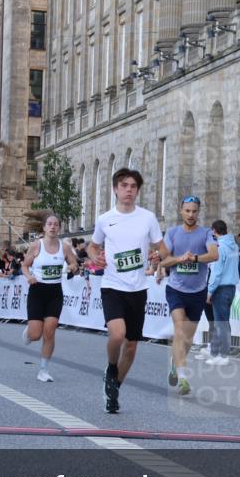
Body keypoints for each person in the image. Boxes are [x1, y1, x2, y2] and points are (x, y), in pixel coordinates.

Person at [87, 168, 163, 414]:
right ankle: (111, 368)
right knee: (117, 335)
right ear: (115, 189)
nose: (128, 190)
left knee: (131, 346)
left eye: (133, 186)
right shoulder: (105, 219)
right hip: (112, 285)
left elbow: (163, 249)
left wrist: (157, 255)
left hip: (138, 288)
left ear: (138, 190)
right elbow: (92, 246)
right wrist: (95, 257)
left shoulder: (148, 218)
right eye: (124, 185)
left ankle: (114, 389)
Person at [156, 196, 218, 393]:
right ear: (181, 211)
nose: (191, 215)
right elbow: (163, 261)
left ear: (198, 212)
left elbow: (214, 255)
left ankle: (177, 363)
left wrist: (195, 258)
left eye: (194, 211)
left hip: (198, 292)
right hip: (176, 290)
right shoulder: (173, 233)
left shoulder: (206, 233)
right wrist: (178, 259)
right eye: (187, 211)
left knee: (188, 339)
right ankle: (183, 377)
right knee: (180, 329)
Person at [21, 214, 79, 382]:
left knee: (50, 331)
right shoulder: (36, 245)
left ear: (59, 228)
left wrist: (72, 266)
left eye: (56, 224)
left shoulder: (65, 247)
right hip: (37, 291)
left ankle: (43, 370)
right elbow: (24, 266)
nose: (53, 227)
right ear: (44, 228)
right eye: (50, 224)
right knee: (35, 335)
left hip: (55, 292)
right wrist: (28, 276)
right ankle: (29, 332)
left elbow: (74, 264)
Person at [205, 219, 237, 366]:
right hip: (231, 287)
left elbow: (216, 272)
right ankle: (219, 352)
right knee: (224, 322)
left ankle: (222, 355)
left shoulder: (219, 247)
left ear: (213, 231)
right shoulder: (234, 246)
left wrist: (210, 291)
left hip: (221, 288)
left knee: (220, 323)